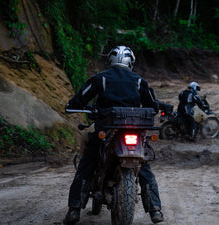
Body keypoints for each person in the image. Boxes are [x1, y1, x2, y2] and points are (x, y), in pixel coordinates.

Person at [63, 46, 164, 224]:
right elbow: (153, 105)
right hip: (134, 131)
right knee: (144, 166)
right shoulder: (139, 81)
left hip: (107, 130)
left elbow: (80, 98)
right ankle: (155, 209)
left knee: (87, 163)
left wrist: (72, 105)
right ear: (131, 62)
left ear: (110, 60)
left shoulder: (100, 78)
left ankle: (74, 209)